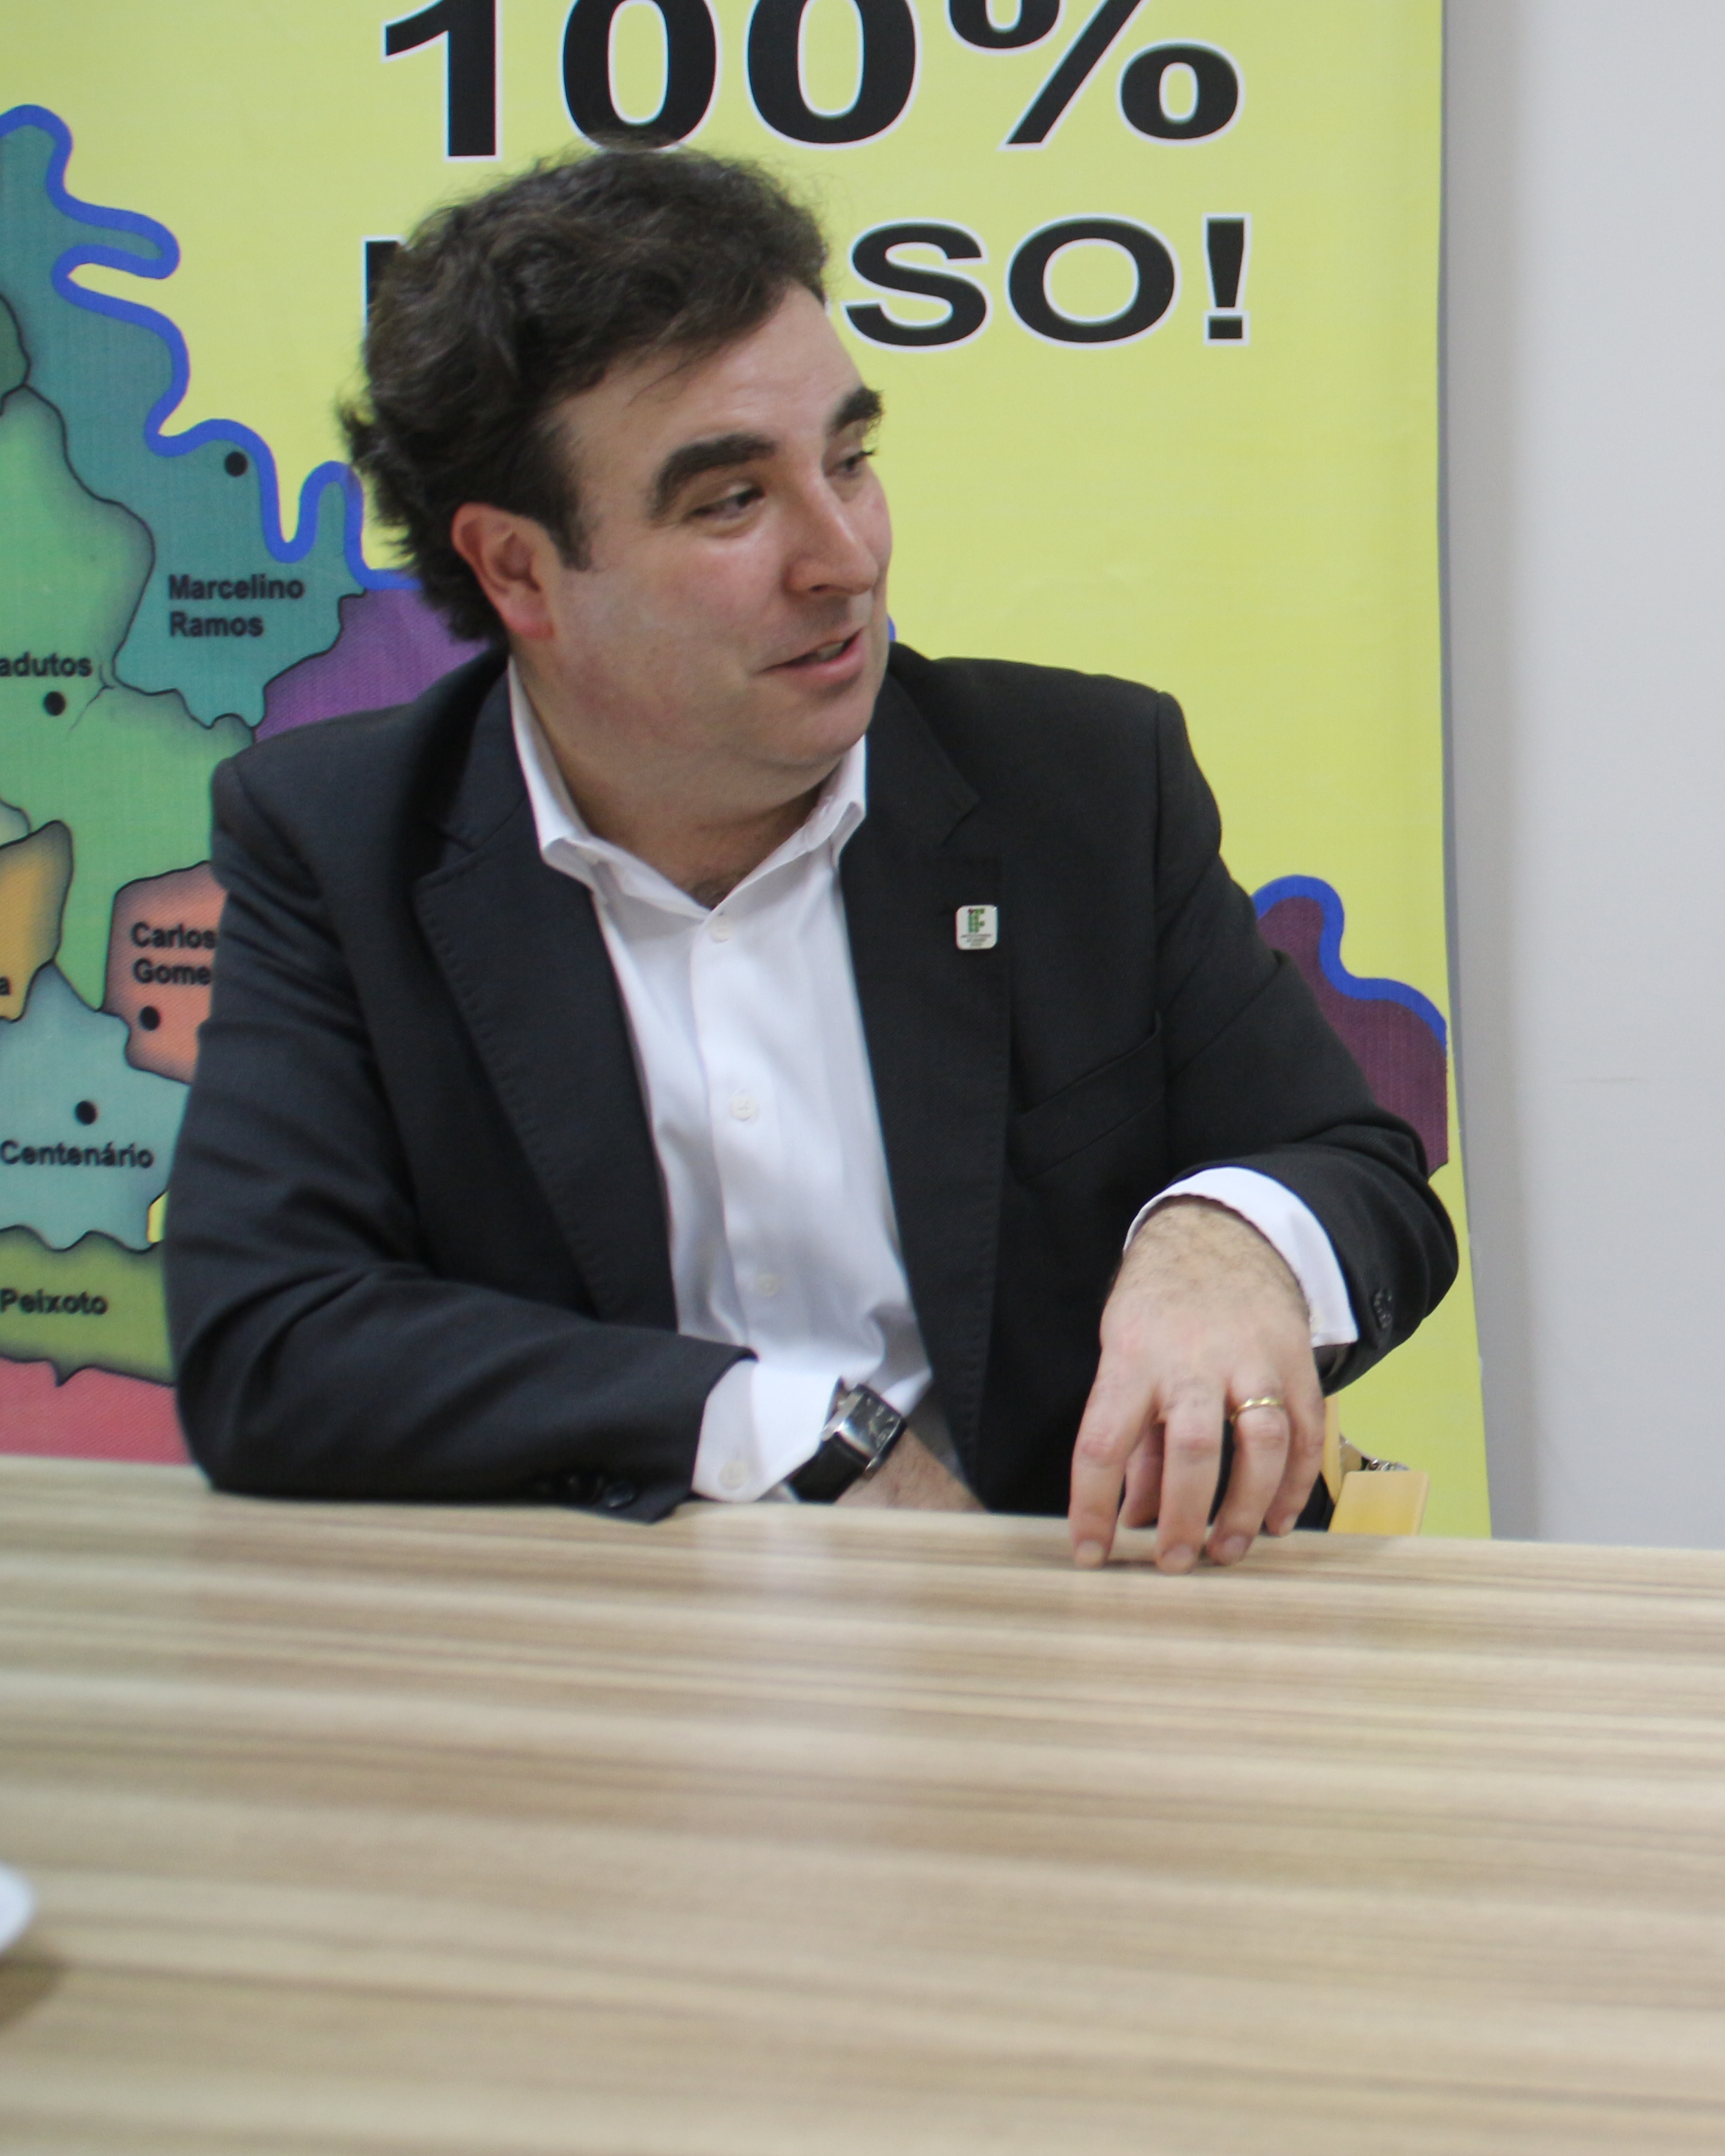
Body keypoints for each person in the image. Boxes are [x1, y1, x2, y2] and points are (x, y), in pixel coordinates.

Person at [167, 147, 1454, 1569]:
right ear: (518, 569)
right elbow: (272, 1344)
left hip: (1086, 1626)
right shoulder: (343, 843)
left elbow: (1360, 1173)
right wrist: (784, 1430)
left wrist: (1227, 1242)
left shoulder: (1081, 784)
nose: (844, 557)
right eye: (732, 501)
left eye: (848, 461)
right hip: (610, 1652)